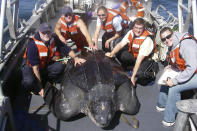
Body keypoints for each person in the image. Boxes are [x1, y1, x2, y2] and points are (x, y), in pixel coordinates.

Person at [22, 23, 86, 97]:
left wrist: (76, 58)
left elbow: (65, 48)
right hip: (31, 68)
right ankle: (35, 88)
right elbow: (35, 68)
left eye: (48, 32)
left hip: (44, 65)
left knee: (60, 67)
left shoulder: (54, 38)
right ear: (39, 32)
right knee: (28, 82)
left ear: (51, 31)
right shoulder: (33, 45)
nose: (46, 34)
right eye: (43, 32)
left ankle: (45, 79)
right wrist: (41, 88)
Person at [156, 27, 197, 127]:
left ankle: (169, 119)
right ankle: (162, 104)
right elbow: (179, 60)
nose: (166, 40)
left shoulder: (186, 45)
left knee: (174, 87)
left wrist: (175, 81)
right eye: (163, 39)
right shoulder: (173, 44)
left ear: (173, 34)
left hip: (194, 72)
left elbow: (192, 68)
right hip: (188, 70)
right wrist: (171, 67)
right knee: (166, 76)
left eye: (168, 36)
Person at [105, 18, 157, 86]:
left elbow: (139, 60)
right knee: (120, 53)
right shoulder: (131, 32)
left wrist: (133, 76)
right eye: (136, 27)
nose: (138, 30)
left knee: (141, 74)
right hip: (136, 55)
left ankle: (151, 74)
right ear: (133, 27)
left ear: (144, 28)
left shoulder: (147, 39)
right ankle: (132, 69)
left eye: (140, 28)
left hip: (146, 59)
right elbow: (120, 44)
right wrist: (112, 53)